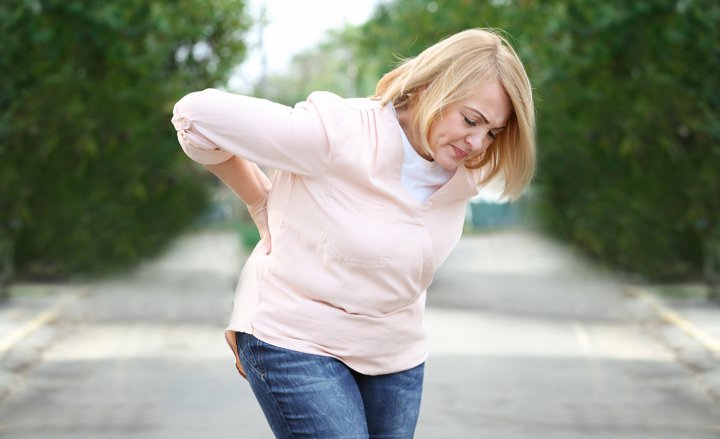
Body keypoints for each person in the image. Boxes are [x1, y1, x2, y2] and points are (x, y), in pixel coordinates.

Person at [171, 28, 535, 438]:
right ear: (431, 86)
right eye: (471, 120)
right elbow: (195, 116)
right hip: (296, 334)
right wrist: (259, 200)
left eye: (493, 132)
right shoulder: (338, 132)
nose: (477, 142)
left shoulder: (469, 165)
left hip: (395, 351)